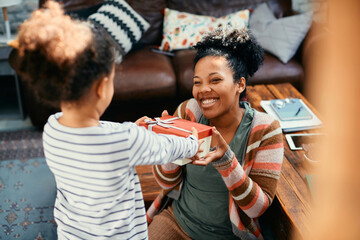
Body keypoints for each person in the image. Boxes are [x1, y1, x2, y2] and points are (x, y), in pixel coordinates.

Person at [10, 1, 201, 239]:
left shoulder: (52, 128)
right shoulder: (126, 140)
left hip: (74, 233)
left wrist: (132, 129)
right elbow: (166, 148)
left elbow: (100, 134)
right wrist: (192, 143)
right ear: (101, 87)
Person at [147, 27, 284, 240]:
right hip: (178, 222)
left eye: (215, 80)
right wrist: (169, 149)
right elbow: (166, 184)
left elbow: (258, 208)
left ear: (240, 84)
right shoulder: (188, 112)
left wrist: (226, 160)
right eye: (197, 82)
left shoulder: (265, 129)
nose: (203, 90)